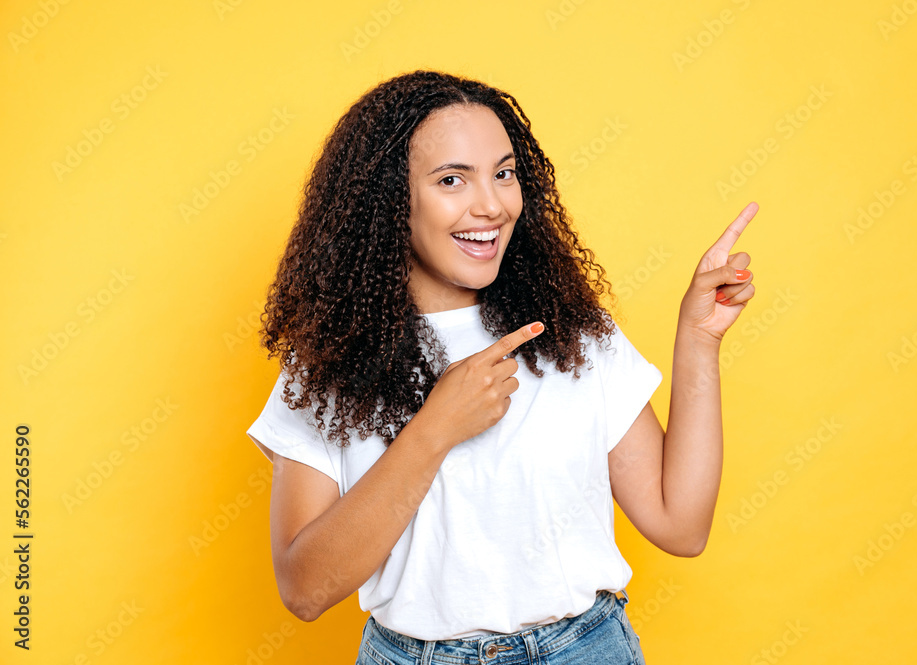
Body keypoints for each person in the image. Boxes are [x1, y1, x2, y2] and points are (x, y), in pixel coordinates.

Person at [245, 69, 757, 664]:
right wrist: (435, 429)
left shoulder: (568, 330)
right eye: (451, 180)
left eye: (504, 174)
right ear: (389, 199)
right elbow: (305, 589)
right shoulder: (326, 364)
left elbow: (681, 524)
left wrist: (698, 340)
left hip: (583, 650)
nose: (490, 205)